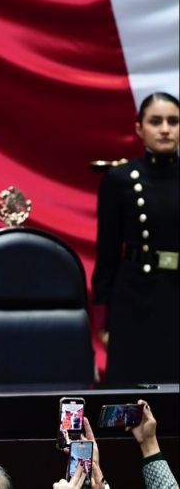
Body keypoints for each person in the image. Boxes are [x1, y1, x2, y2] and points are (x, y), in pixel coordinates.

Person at [93, 91, 179, 384]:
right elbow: (106, 251)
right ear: (140, 128)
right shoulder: (121, 179)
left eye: (173, 121)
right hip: (136, 298)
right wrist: (103, 318)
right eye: (156, 121)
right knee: (134, 392)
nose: (165, 129)